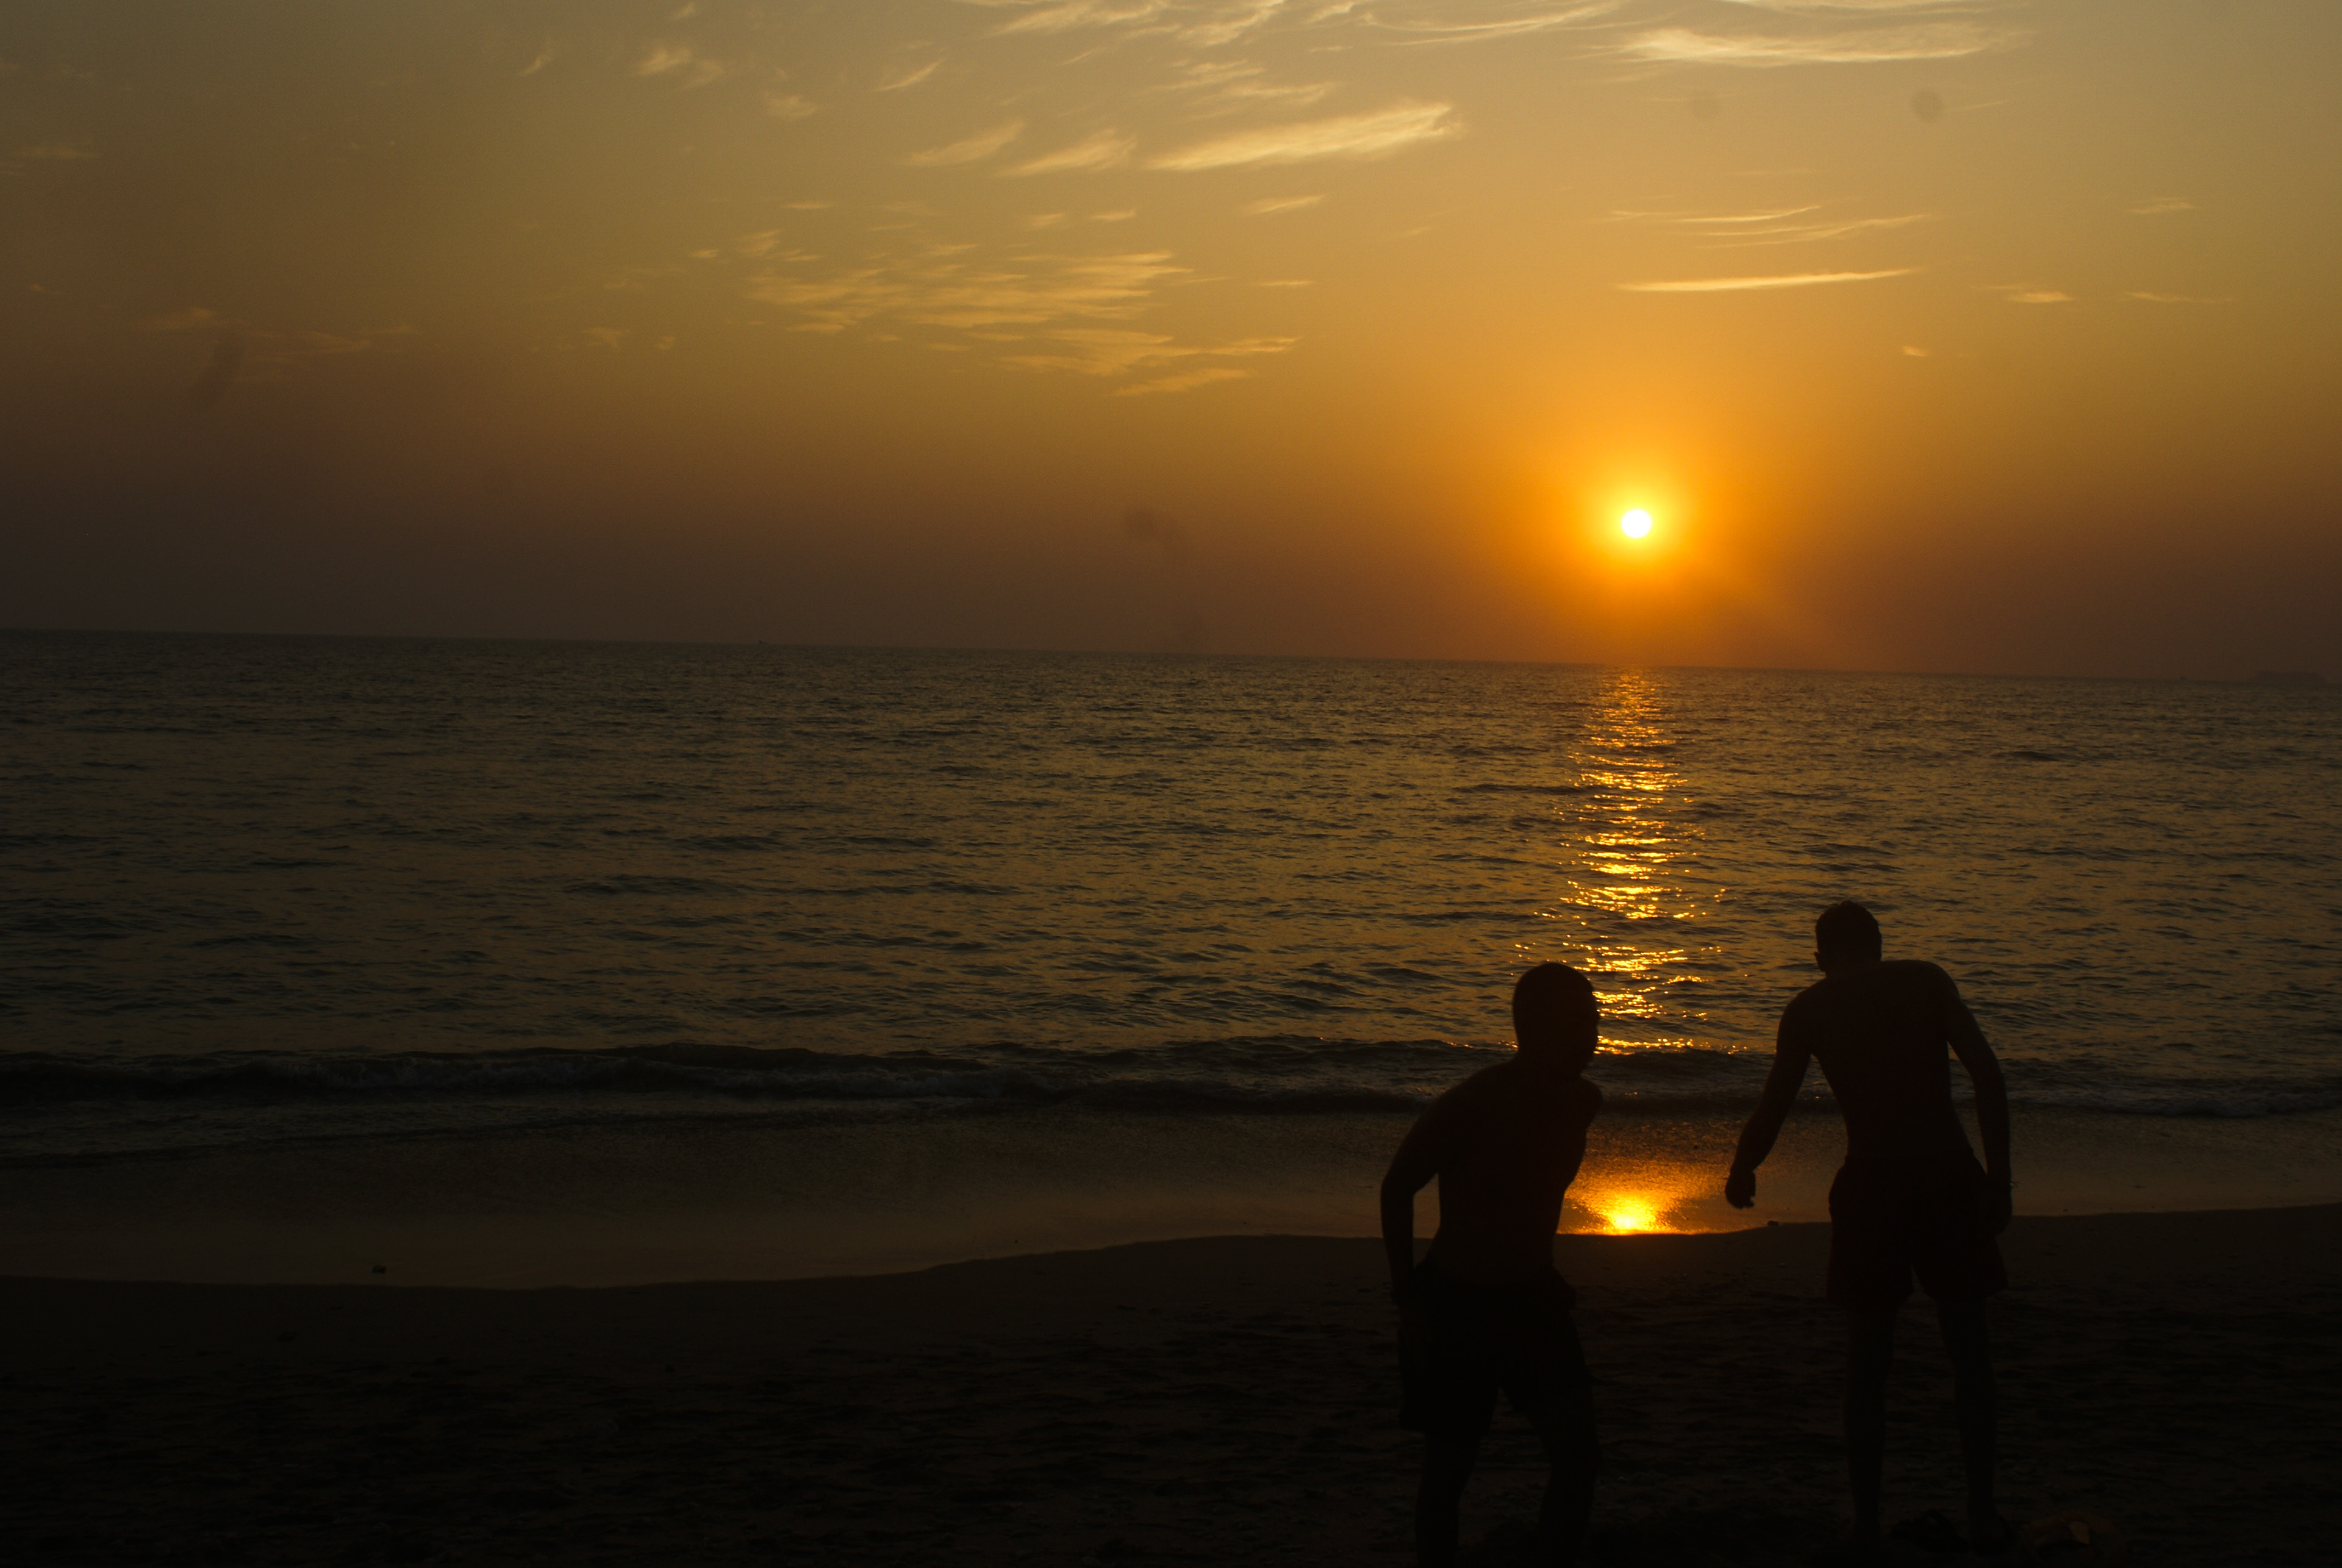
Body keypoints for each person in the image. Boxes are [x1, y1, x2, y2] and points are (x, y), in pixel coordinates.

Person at [1725, 901, 2013, 1558]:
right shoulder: (1927, 980)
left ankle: (1866, 1520)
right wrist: (2000, 1181)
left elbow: (1775, 1105)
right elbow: (1988, 1075)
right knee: (1969, 1352)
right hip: (1947, 1174)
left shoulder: (1808, 1009)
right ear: (1879, 945)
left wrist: (1743, 1166)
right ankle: (1983, 1512)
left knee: (1868, 1365)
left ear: (1820, 957)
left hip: (1872, 1185)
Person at [1380, 962, 1605, 1568]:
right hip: (1458, 1304)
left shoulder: (1584, 1101)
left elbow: (1533, 1197)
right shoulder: (1472, 1104)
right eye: (1575, 1024)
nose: (1589, 1037)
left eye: (1594, 1022)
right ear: (1529, 1028)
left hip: (1532, 1298)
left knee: (1579, 1456)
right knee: (1449, 1471)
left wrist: (1543, 1263)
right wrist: (1407, 1295)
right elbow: (1398, 1186)